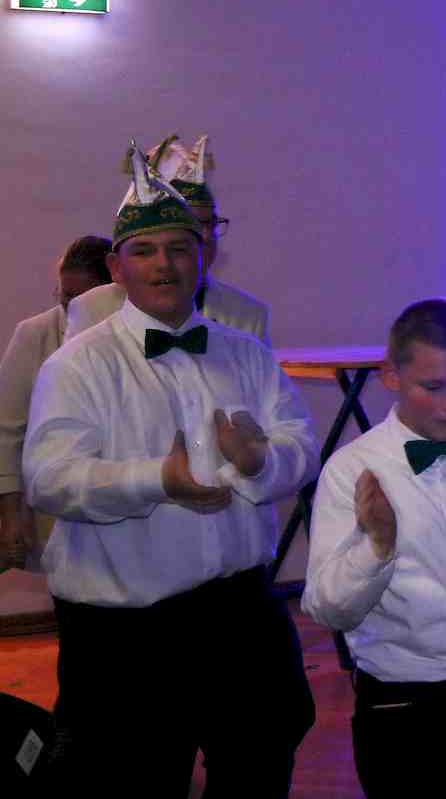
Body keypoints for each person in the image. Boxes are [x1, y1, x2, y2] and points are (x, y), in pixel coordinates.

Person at [22, 144, 318, 794]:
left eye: (180, 248)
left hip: (241, 612)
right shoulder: (76, 366)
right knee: (133, 780)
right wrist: (160, 479)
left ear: (202, 255)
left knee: (263, 758)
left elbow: (302, 442)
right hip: (125, 634)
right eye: (146, 250)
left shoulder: (246, 354)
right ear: (116, 266)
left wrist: (261, 460)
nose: (165, 264)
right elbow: (50, 477)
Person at [303, 299, 446, 798]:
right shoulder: (352, 470)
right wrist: (377, 547)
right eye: (434, 387)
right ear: (392, 376)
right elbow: (326, 609)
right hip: (404, 707)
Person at [66, 134, 271, 344]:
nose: (206, 236)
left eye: (210, 223)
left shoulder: (249, 315)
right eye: (193, 226)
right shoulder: (92, 310)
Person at [0, 236, 111, 571]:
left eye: (81, 299)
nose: (70, 307)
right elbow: (6, 431)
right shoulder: (34, 334)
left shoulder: (136, 335)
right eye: (65, 297)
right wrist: (10, 518)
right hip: (56, 516)